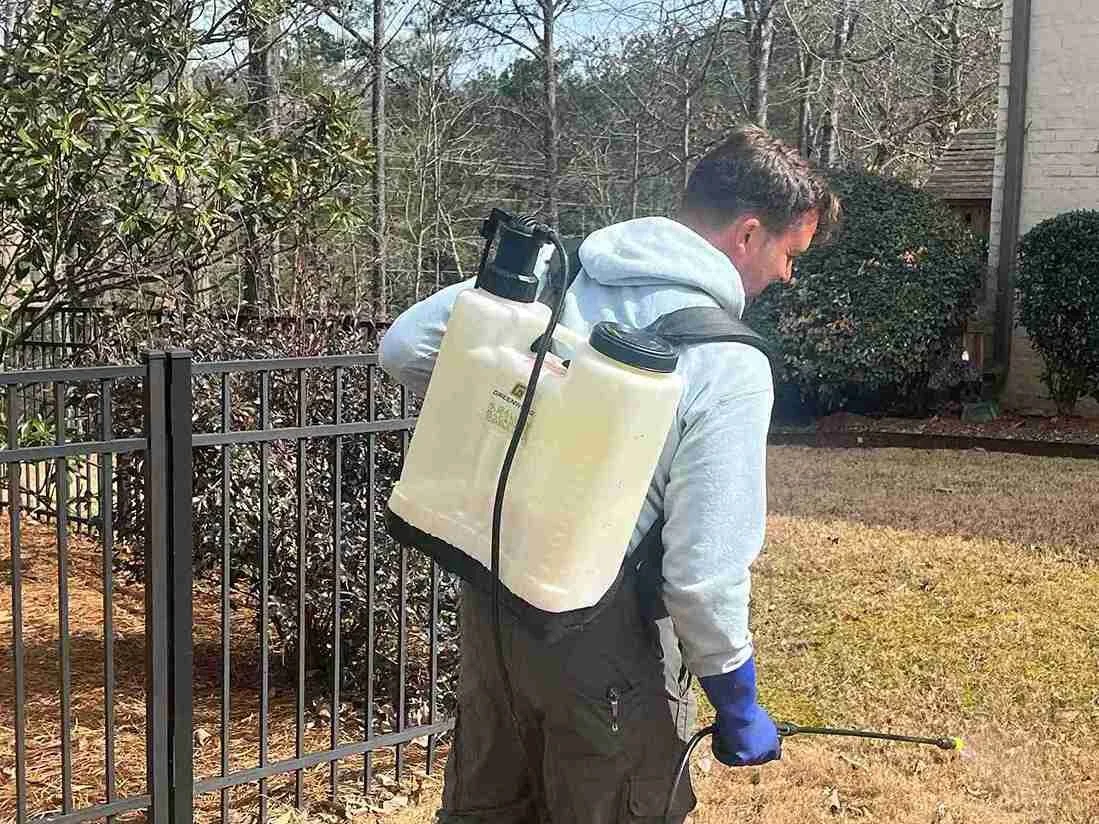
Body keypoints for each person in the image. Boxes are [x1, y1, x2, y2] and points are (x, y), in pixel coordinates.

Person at [378, 125, 839, 823]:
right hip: (605, 645)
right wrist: (737, 702)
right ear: (748, 235)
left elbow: (406, 346)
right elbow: (702, 571)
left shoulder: (563, 278)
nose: (785, 275)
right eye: (787, 253)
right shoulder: (727, 359)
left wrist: (514, 420)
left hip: (493, 608)